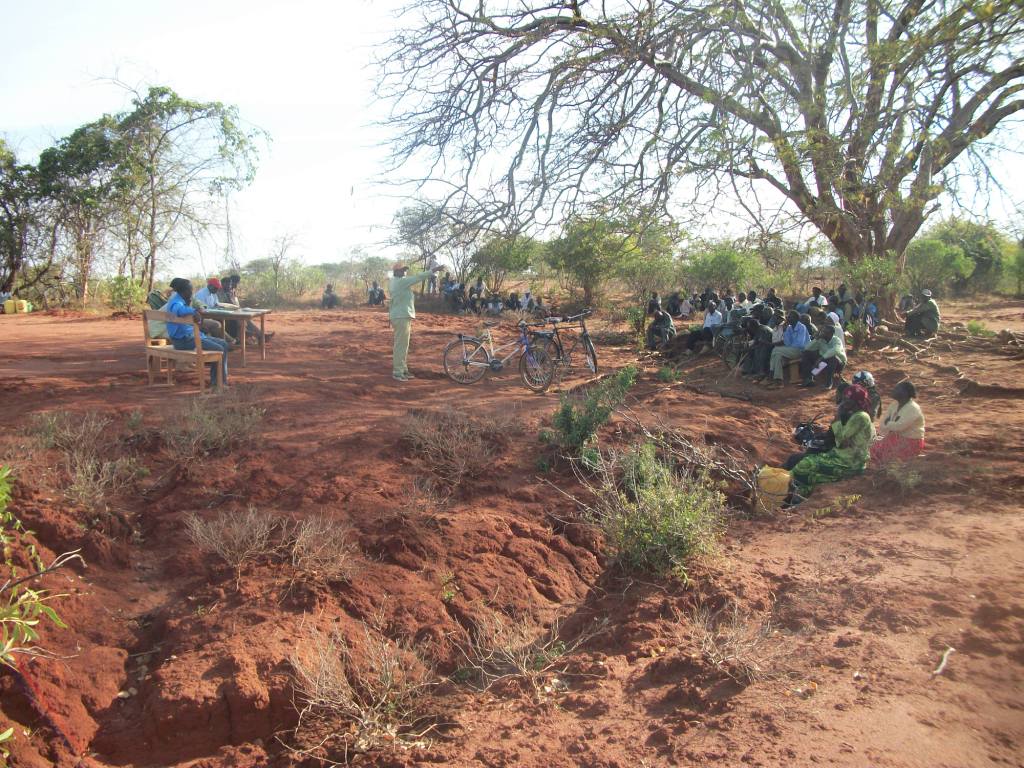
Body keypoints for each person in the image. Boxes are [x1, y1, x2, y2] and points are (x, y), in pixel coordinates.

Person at [788, 384, 876, 502]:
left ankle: (792, 493)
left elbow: (840, 438)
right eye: (844, 398)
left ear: (856, 402)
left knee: (805, 464)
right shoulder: (854, 415)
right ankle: (797, 498)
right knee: (809, 470)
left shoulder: (860, 416)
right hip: (842, 455)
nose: (843, 402)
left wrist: (837, 418)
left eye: (847, 400)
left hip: (850, 462)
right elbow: (841, 440)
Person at [165, 278, 229, 387]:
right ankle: (218, 384)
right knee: (219, 349)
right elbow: (178, 310)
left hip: (190, 337)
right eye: (190, 290)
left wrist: (191, 307)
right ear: (183, 291)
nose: (192, 293)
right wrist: (193, 311)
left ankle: (220, 382)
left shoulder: (181, 300)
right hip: (184, 340)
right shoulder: (176, 302)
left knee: (224, 344)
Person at [389, 260, 442, 381]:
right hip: (401, 316)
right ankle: (398, 372)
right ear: (396, 271)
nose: (405, 272)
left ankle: (403, 369)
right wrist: (434, 270)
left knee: (403, 345)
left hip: (400, 316)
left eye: (405, 270)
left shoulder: (394, 281)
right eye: (403, 270)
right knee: (401, 346)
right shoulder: (400, 282)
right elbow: (418, 277)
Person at [871, 380, 926, 464]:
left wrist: (889, 423)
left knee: (887, 457)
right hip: (895, 437)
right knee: (873, 449)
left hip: (911, 441)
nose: (893, 390)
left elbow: (899, 427)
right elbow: (882, 425)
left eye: (897, 389)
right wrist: (891, 424)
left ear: (905, 393)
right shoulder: (894, 404)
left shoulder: (913, 408)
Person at [767, 310, 810, 386]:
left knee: (776, 350)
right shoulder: (789, 328)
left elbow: (799, 344)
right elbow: (787, 342)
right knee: (777, 355)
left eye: (790, 317)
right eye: (788, 317)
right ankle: (778, 380)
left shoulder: (802, 327)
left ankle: (771, 373)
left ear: (796, 319)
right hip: (792, 350)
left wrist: (786, 349)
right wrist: (785, 330)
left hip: (801, 351)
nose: (787, 318)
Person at [798, 324, 847, 389]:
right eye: (822, 331)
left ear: (831, 334)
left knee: (833, 358)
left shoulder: (837, 340)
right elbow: (807, 348)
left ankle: (828, 383)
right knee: (806, 353)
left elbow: (835, 350)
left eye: (824, 332)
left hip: (838, 364)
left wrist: (821, 358)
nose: (822, 333)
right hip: (824, 362)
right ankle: (808, 379)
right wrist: (816, 339)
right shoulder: (820, 340)